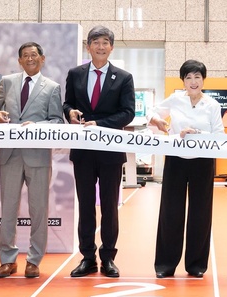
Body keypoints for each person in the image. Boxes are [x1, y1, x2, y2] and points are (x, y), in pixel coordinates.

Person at [0, 42, 65, 278]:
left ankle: (34, 260)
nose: (30, 59)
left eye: (34, 55)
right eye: (25, 56)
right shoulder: (7, 82)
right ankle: (7, 259)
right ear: (19, 61)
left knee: (39, 210)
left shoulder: (52, 87)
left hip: (38, 156)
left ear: (42, 58)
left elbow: (57, 121)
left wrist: (38, 125)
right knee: (8, 209)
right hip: (10, 154)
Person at [64, 26, 136, 278]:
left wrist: (100, 124)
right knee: (85, 206)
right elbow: (67, 103)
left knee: (109, 206)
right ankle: (87, 258)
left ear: (112, 47)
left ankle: (108, 258)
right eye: (96, 42)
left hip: (110, 151)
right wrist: (70, 112)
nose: (101, 46)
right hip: (83, 151)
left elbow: (128, 112)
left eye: (105, 42)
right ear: (88, 47)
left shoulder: (124, 77)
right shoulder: (75, 74)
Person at [147, 60, 225, 278]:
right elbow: (151, 112)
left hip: (203, 162)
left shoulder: (212, 105)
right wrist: (157, 121)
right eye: (188, 77)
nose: (193, 81)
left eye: (197, 77)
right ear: (182, 81)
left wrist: (197, 135)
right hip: (175, 160)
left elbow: (220, 136)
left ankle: (196, 265)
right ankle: (165, 265)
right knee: (170, 212)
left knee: (201, 213)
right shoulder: (175, 99)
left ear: (203, 79)